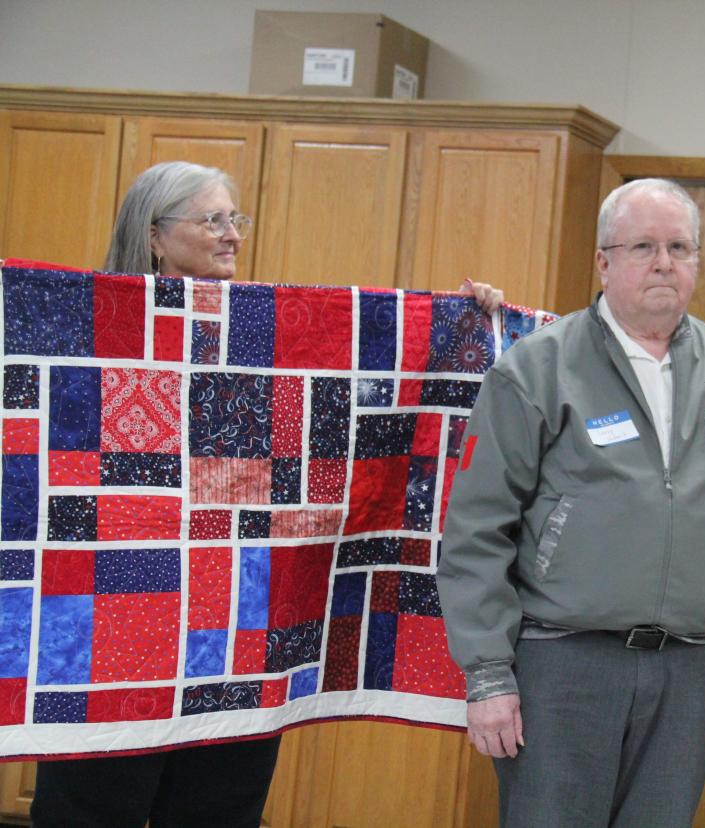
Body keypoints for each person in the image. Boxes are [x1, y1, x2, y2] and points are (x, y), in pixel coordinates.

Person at [31, 161, 502, 827]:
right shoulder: (93, 328)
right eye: (212, 219)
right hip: (112, 635)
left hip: (237, 636)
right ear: (155, 237)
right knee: (91, 813)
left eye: (236, 219)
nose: (231, 235)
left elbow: (379, 382)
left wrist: (465, 323)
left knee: (218, 812)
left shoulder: (265, 336)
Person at [436, 178, 705, 827]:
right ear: (604, 262)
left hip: (688, 669)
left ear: (698, 262)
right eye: (644, 246)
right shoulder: (538, 368)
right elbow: (475, 530)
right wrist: (487, 672)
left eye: (680, 247)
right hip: (563, 663)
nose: (664, 262)